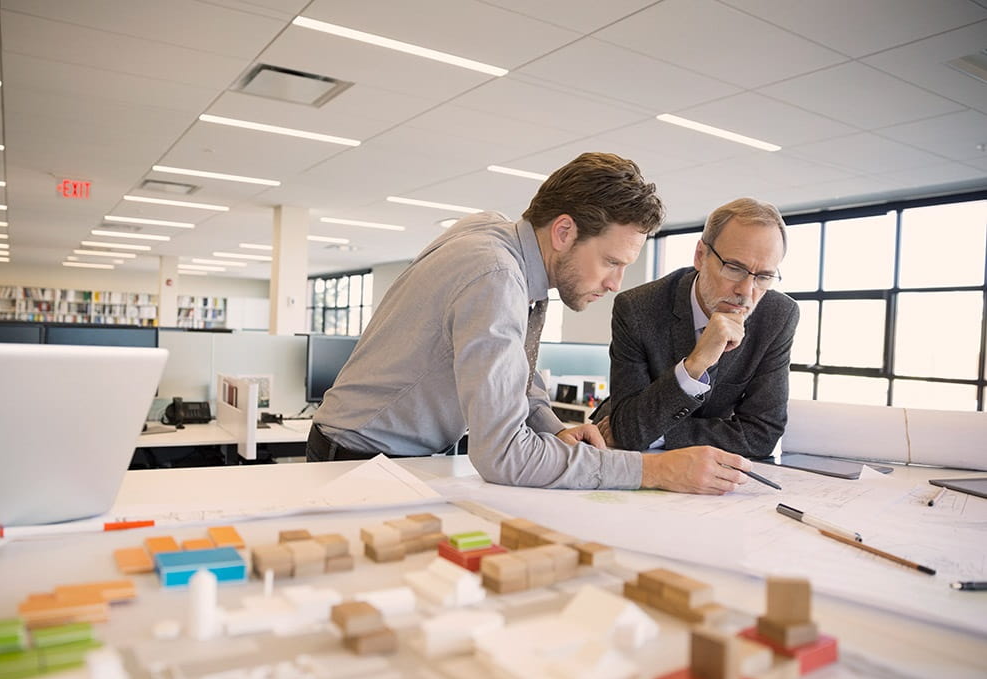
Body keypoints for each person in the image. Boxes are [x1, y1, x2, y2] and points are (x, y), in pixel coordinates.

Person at [308, 153, 757, 495]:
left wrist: (553, 426)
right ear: (563, 232)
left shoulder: (496, 237)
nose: (615, 283)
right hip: (357, 462)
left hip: (385, 456)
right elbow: (502, 457)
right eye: (610, 261)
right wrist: (654, 470)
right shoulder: (496, 277)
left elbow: (513, 371)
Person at [593, 197, 798, 459]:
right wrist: (696, 363)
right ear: (701, 256)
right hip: (620, 452)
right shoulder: (637, 308)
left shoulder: (778, 315)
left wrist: (661, 433)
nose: (746, 292)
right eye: (734, 268)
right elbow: (628, 431)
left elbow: (761, 435)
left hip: (694, 461)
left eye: (764, 277)